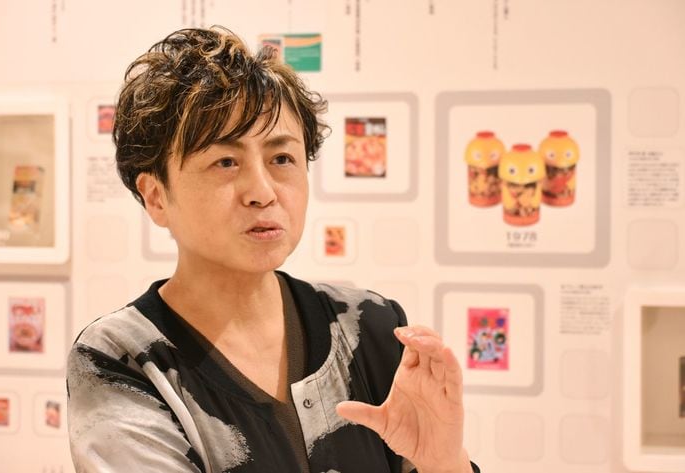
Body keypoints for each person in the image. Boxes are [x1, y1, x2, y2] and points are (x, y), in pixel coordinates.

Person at [66, 26, 479, 473]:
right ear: (156, 196)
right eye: (225, 162)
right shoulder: (124, 359)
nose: (262, 192)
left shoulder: (369, 327)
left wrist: (444, 462)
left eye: (282, 159)